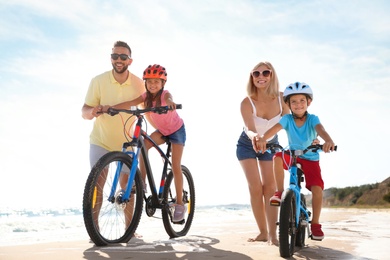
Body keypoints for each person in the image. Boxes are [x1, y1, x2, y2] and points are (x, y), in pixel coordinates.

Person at [103, 64, 187, 223]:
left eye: (156, 81)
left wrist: (170, 104)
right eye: (149, 81)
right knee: (143, 146)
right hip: (162, 131)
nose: (152, 84)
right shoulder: (145, 97)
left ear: (163, 83)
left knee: (175, 165)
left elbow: (169, 98)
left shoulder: (165, 95)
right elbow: (130, 102)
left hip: (176, 131)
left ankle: (180, 204)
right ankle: (142, 183)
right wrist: (112, 109)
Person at [255, 82, 336, 241]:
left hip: (311, 157)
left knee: (317, 188)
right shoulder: (287, 119)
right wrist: (264, 138)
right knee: (277, 156)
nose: (298, 104)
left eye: (302, 101)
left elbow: (322, 130)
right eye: (294, 101)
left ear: (308, 102)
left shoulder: (313, 119)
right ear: (288, 104)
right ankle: (279, 192)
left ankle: (315, 224)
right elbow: (274, 129)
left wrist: (328, 141)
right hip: (292, 156)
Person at [81, 40, 144, 229]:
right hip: (101, 140)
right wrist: (92, 112)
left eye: (123, 57)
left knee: (127, 185)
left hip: (128, 142)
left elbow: (148, 104)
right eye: (115, 56)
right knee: (97, 184)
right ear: (111, 58)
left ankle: (129, 230)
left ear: (129, 61)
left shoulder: (139, 84)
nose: (119, 60)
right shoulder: (98, 81)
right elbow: (84, 110)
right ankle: (95, 230)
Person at [236, 61, 289, 245]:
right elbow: (249, 128)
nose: (260, 77)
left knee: (271, 188)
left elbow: (290, 124)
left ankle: (273, 235)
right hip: (247, 144)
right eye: (256, 74)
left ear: (272, 75)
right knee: (256, 188)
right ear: (252, 77)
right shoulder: (247, 101)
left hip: (271, 145)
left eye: (265, 73)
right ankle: (263, 232)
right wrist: (256, 137)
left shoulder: (283, 99)